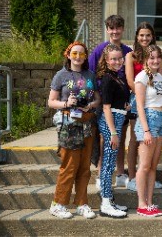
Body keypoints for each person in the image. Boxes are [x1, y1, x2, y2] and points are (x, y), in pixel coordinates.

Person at [48, 41, 101, 219]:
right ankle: (58, 204)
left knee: (84, 167)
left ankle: (81, 203)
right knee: (69, 166)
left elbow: (97, 99)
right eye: (75, 53)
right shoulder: (61, 75)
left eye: (82, 54)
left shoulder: (90, 75)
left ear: (86, 57)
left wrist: (91, 105)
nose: (78, 57)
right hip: (69, 124)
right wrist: (66, 103)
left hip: (87, 123)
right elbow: (51, 101)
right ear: (68, 55)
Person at [88, 14, 132, 190]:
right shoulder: (99, 50)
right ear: (107, 30)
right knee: (105, 137)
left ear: (122, 29)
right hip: (105, 101)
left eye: (118, 28)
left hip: (121, 102)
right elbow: (90, 75)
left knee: (120, 137)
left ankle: (120, 173)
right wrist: (97, 97)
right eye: (111, 28)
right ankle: (101, 173)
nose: (115, 31)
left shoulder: (128, 51)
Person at [124, 22, 162, 191]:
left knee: (153, 142)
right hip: (138, 98)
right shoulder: (131, 55)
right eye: (141, 35)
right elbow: (130, 81)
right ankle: (133, 177)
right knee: (136, 139)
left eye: (148, 35)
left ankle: (148, 177)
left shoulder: (155, 55)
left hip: (154, 100)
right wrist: (144, 92)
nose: (145, 38)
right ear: (137, 36)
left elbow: (160, 77)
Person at [134, 45, 162, 217]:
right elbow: (140, 105)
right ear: (146, 60)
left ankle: (149, 202)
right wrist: (146, 130)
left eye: (158, 57)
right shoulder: (141, 77)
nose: (155, 60)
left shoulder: (160, 77)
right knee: (145, 165)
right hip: (148, 121)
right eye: (151, 57)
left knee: (154, 166)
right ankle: (141, 204)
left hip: (161, 121)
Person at [96, 44, 130, 218]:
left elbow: (117, 102)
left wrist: (126, 106)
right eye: (113, 59)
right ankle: (105, 203)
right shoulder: (108, 79)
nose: (117, 61)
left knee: (110, 162)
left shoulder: (118, 78)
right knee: (108, 164)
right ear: (107, 61)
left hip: (118, 119)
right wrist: (113, 132)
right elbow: (107, 107)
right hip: (111, 123)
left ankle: (110, 200)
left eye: (119, 58)